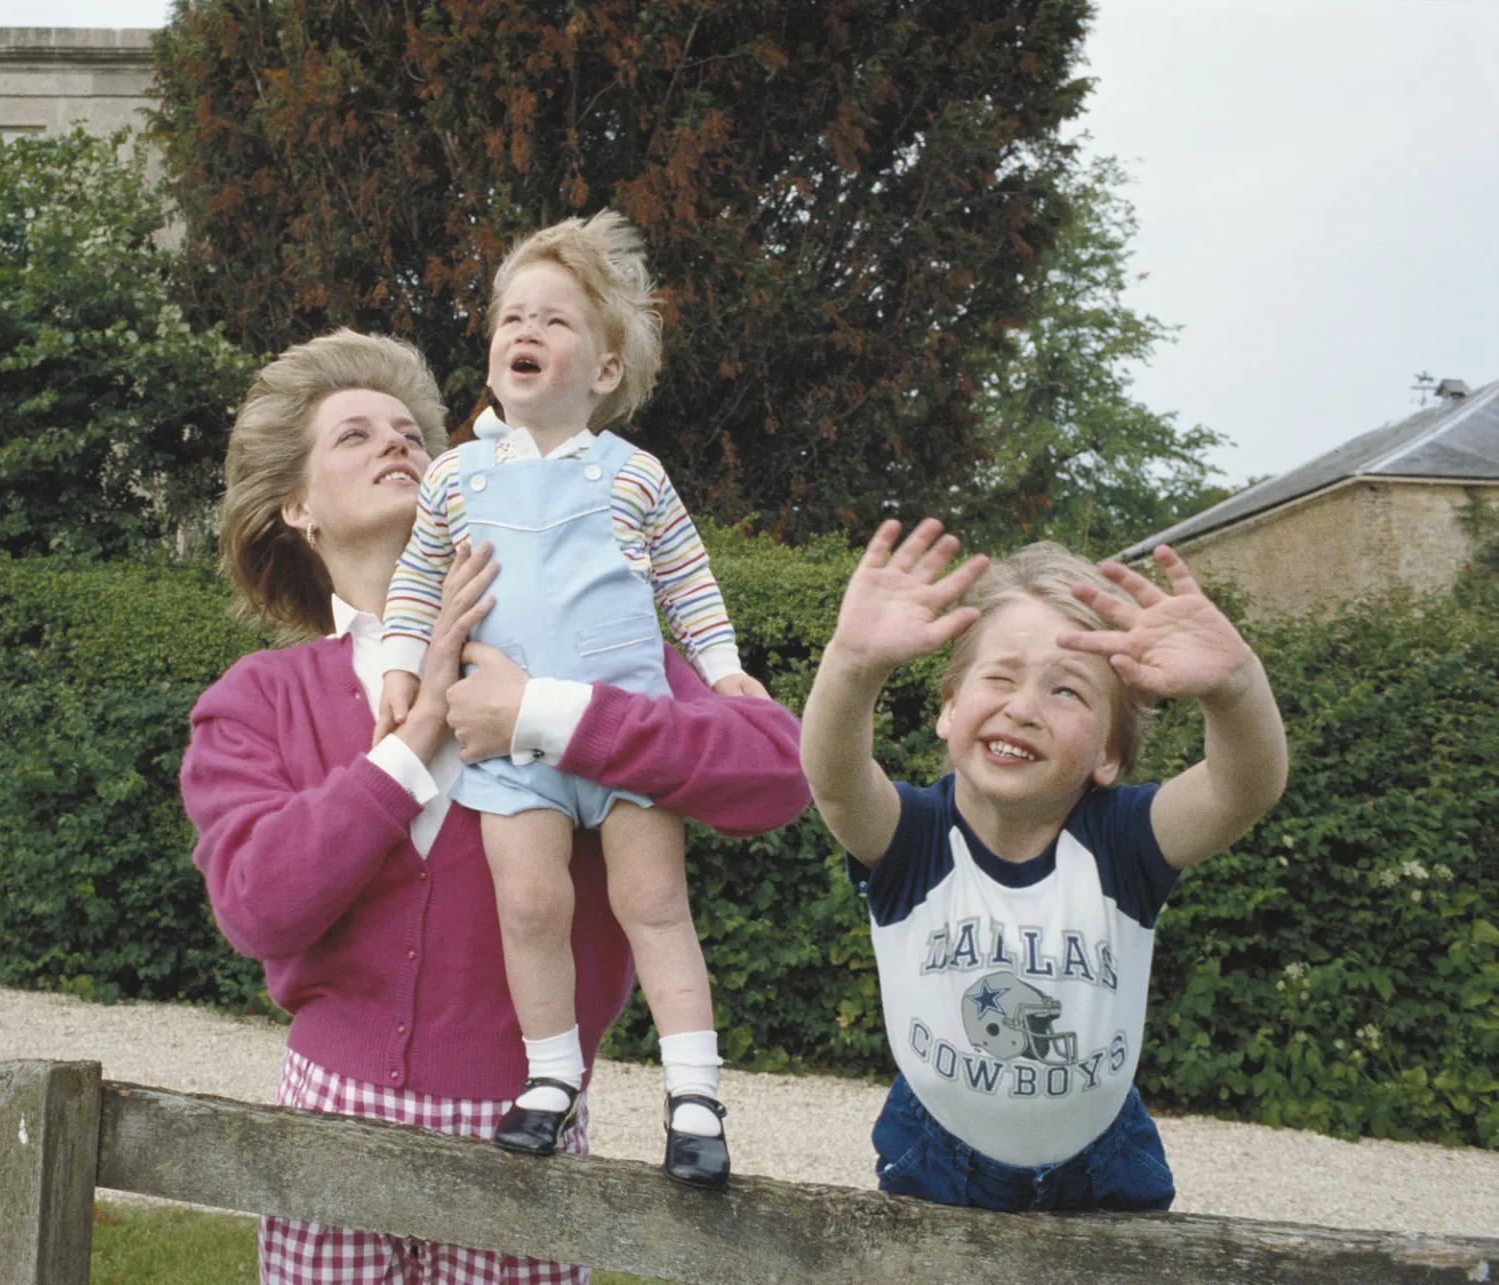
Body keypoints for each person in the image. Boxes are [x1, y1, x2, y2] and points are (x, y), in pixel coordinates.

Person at [181, 328, 809, 1282]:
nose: (398, 442)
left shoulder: (597, 655)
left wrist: (549, 716)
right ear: (297, 507)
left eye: (410, 431)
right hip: (324, 1134)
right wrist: (420, 727)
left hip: (526, 1148)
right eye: (354, 434)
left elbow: (777, 774)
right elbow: (257, 907)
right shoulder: (257, 698)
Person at [373, 212, 761, 1188]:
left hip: (626, 734)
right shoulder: (454, 477)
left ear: (603, 370)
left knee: (652, 902)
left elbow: (689, 582)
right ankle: (550, 1077)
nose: (525, 331)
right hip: (508, 747)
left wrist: (721, 669)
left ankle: (694, 1093)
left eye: (553, 320)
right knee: (530, 903)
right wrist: (403, 669)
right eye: (511, 317)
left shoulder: (634, 475)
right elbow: (417, 581)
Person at [800, 518, 1288, 1212]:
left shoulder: (1123, 842)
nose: (1023, 707)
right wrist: (852, 664)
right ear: (949, 709)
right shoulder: (912, 838)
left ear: (1108, 754)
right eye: (1000, 676)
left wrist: (1235, 687)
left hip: (1102, 1161)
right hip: (937, 1153)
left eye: (1067, 692)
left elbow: (1243, 789)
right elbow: (834, 779)